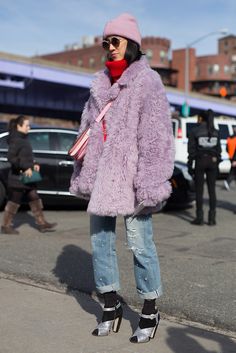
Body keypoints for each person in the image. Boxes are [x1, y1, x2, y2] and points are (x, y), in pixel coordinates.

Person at [70, 13, 174, 343]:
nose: (110, 47)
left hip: (132, 177)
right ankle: (111, 306)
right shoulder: (98, 83)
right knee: (101, 243)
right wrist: (82, 170)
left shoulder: (148, 81)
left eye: (115, 41)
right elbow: (86, 127)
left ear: (131, 44)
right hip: (101, 174)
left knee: (140, 244)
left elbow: (157, 137)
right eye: (106, 42)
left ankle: (149, 309)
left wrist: (151, 182)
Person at [1, 115, 57, 234]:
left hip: (27, 177)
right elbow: (11, 158)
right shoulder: (16, 140)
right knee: (14, 201)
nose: (29, 128)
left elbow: (26, 157)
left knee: (34, 197)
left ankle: (42, 223)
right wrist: (25, 167)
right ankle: (5, 226)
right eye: (27, 125)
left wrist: (34, 164)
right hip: (18, 177)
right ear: (19, 126)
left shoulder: (24, 139)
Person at [188, 109, 221, 226]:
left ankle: (200, 218)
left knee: (199, 191)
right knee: (212, 191)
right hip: (212, 162)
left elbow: (191, 151)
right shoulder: (216, 132)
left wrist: (189, 165)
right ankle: (212, 219)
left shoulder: (194, 131)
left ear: (201, 118)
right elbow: (218, 151)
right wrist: (217, 163)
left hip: (200, 161)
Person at [224, 126, 236, 191]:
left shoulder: (229, 138)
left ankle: (228, 182)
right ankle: (227, 181)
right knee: (233, 172)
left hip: (231, 157)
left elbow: (226, 148)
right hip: (234, 158)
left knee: (233, 171)